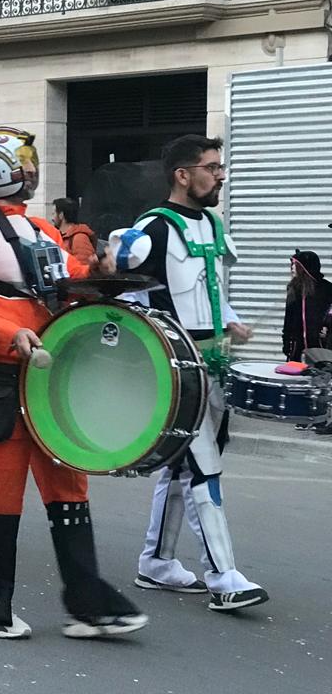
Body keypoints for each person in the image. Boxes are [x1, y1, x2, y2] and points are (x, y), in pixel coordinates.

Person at [0, 126, 146, 640]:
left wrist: (101, 270)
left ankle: (90, 604)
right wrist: (9, 332)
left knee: (69, 488)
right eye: (24, 161)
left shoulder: (42, 230)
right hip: (2, 376)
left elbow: (71, 276)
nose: (32, 170)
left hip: (50, 375)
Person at [112, 134, 269, 612]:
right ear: (183, 175)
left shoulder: (213, 225)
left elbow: (210, 287)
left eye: (220, 167)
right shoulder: (153, 229)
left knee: (183, 465)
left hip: (215, 362)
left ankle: (156, 561)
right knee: (204, 465)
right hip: (178, 367)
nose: (220, 176)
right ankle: (224, 576)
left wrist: (231, 321)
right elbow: (122, 293)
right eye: (211, 167)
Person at [281, 250, 332, 362]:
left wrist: (327, 328)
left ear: (306, 268)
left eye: (296, 265)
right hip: (297, 346)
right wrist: (286, 341)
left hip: (320, 345)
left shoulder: (327, 288)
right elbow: (288, 318)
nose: (292, 268)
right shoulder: (294, 289)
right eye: (292, 264)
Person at [51, 197, 96, 264]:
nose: (52, 218)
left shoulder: (80, 238)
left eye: (53, 213)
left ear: (61, 215)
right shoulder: (61, 236)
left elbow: (84, 266)